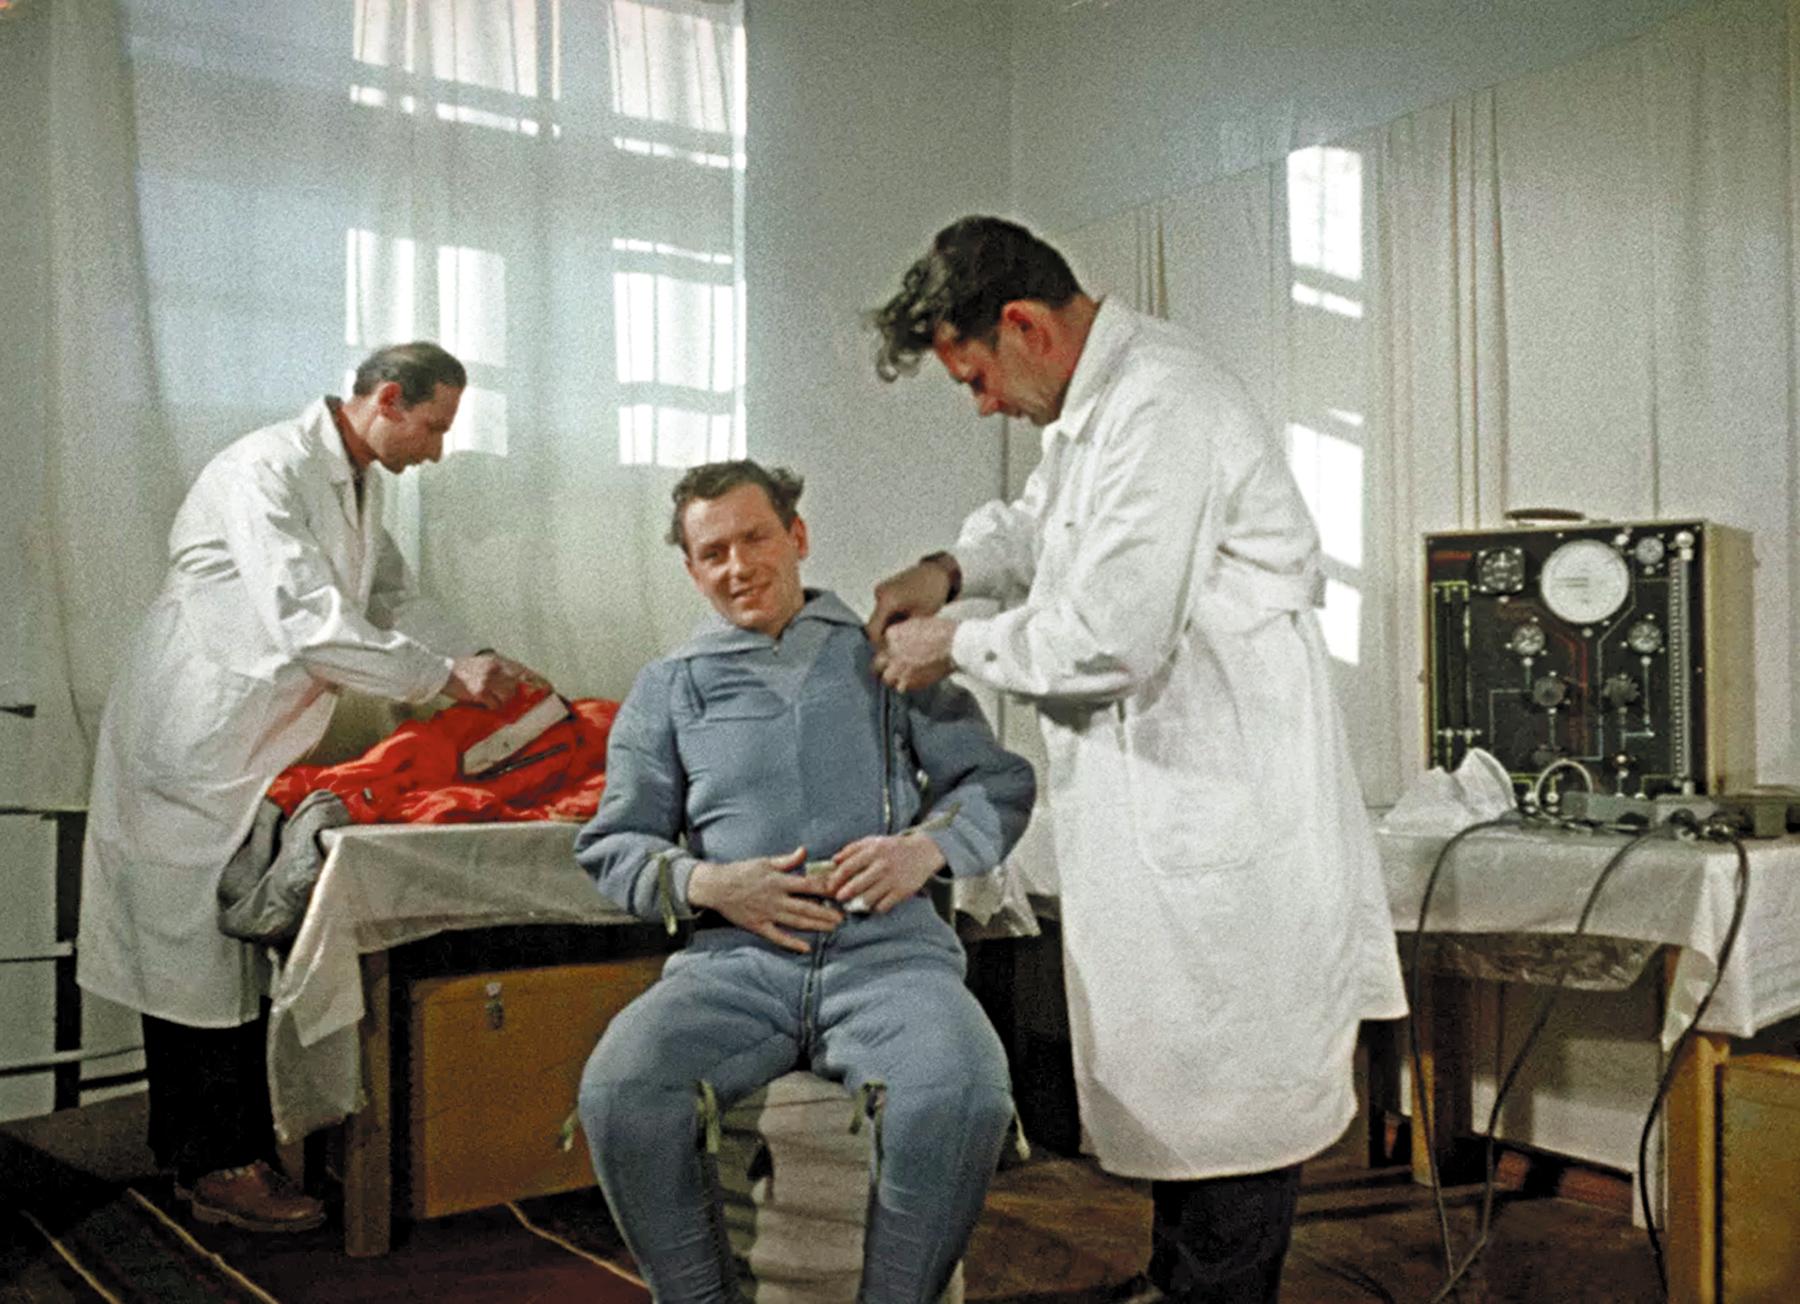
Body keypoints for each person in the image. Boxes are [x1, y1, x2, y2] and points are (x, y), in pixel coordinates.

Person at [865, 217, 1408, 1303]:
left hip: (1224, 803)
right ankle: (1177, 1279)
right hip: (1159, 804)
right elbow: (1044, 527)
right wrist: (949, 568)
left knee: (1234, 1091)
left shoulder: (1165, 400)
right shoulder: (1097, 409)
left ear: (1024, 325)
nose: (982, 406)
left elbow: (1108, 633)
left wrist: (952, 642)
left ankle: (1214, 1291)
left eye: (976, 377)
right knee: (1182, 1080)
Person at [77, 342, 539, 1233]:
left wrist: (480, 659)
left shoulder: (355, 485)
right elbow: (308, 620)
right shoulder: (266, 469)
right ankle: (215, 1166)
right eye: (434, 426)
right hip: (190, 737)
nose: (438, 450)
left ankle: (219, 1153)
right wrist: (447, 677)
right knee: (189, 962)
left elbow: (391, 597)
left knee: (228, 956)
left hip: (248, 744)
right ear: (388, 399)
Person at [574, 460, 1034, 1303]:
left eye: (755, 539)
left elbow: (995, 782)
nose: (738, 567)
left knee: (963, 1092)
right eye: (713, 553)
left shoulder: (883, 657)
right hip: (734, 969)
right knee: (619, 1090)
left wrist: (924, 850)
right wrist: (709, 883)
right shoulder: (667, 687)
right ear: (691, 571)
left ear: (798, 537)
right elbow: (615, 844)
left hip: (890, 961)